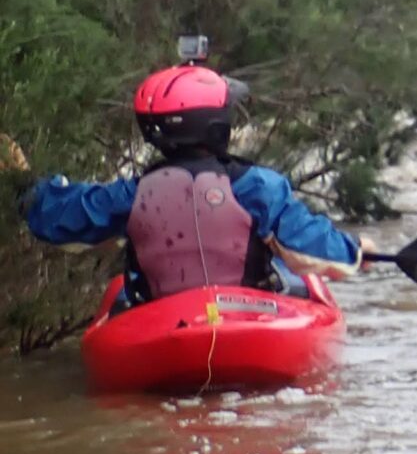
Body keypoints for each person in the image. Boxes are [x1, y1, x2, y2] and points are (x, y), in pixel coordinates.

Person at [16, 64, 367, 306]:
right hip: (246, 317)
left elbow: (58, 216)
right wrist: (356, 250)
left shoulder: (132, 196)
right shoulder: (258, 188)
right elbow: (312, 249)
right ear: (217, 125)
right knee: (296, 276)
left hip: (167, 324)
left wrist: (26, 182)